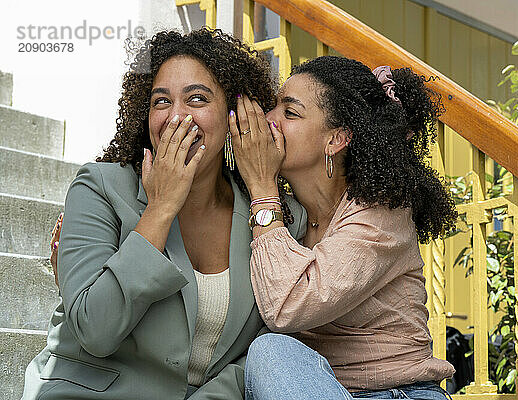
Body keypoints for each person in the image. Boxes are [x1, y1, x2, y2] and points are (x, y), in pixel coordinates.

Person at [21, 28, 305, 400]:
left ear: (235, 116)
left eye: (197, 99)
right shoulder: (99, 188)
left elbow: (260, 352)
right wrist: (161, 208)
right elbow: (94, 329)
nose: (176, 118)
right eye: (161, 102)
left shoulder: (275, 218)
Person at [229, 56, 457, 400]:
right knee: (271, 355)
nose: (268, 120)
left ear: (336, 140)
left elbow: (286, 307)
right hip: (320, 390)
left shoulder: (383, 214)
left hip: (399, 394)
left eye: (289, 113)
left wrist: (262, 187)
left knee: (270, 351)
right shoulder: (290, 216)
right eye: (273, 106)